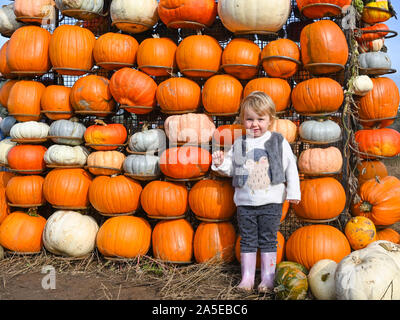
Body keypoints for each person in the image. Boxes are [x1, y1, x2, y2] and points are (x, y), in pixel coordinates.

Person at [211, 91, 301, 293]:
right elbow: (231, 168)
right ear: (243, 120)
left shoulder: (278, 142)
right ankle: (247, 278)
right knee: (248, 238)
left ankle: (268, 278)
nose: (255, 124)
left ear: (270, 120)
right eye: (249, 119)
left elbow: (291, 167)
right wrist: (219, 162)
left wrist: (294, 191)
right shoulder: (240, 144)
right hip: (245, 203)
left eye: (260, 119)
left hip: (272, 202)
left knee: (268, 238)